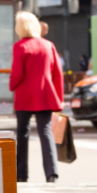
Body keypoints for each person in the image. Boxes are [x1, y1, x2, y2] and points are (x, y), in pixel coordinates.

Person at [10, 11, 64, 183]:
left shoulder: (20, 46)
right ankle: (51, 174)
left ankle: (21, 174)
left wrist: (11, 85)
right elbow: (58, 74)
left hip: (25, 95)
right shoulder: (48, 45)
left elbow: (17, 74)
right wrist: (59, 98)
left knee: (22, 133)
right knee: (46, 132)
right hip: (45, 95)